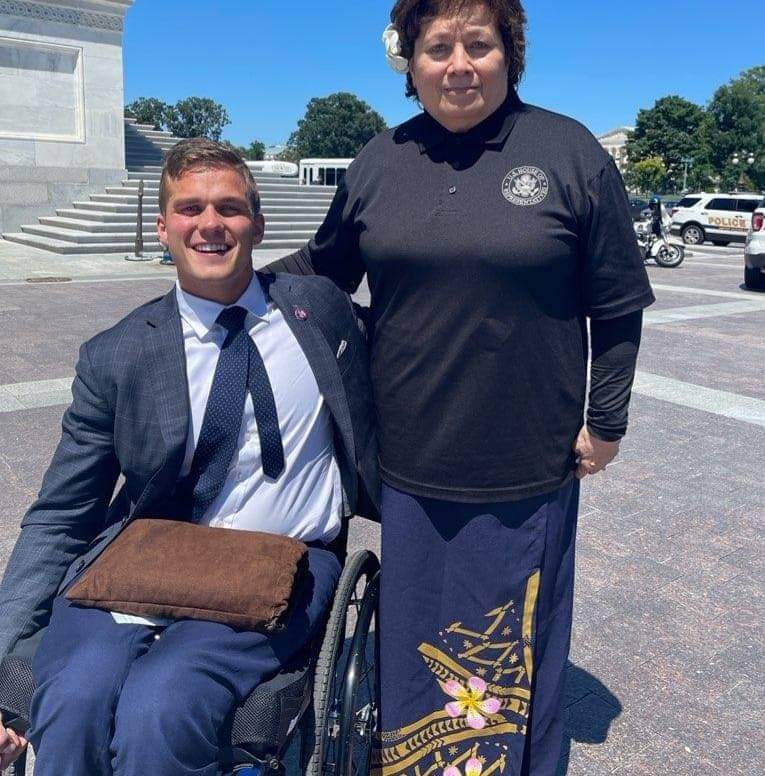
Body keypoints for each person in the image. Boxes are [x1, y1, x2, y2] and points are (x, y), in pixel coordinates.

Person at [266, 1, 655, 773]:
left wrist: (603, 422)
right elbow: (324, 270)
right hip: (409, 458)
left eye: (478, 44)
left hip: (524, 460)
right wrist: (230, 288)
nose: (457, 64)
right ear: (408, 62)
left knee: (513, 643)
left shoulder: (567, 151)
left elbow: (616, 302)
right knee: (418, 640)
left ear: (508, 54)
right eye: (436, 46)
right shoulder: (381, 160)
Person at [0, 138, 378, 776]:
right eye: (189, 208)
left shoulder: (321, 315)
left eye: (229, 207)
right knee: (71, 696)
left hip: (276, 564)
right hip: (146, 558)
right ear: (162, 227)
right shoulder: (117, 354)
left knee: (163, 707)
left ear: (257, 224)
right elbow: (62, 511)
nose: (210, 224)